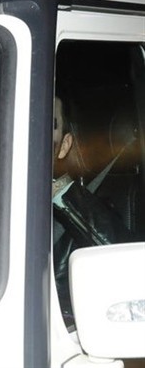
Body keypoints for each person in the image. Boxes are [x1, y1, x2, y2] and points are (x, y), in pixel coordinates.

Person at [51, 94, 132, 321]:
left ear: (64, 146)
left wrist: (59, 192)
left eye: (47, 122)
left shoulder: (83, 213)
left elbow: (130, 272)